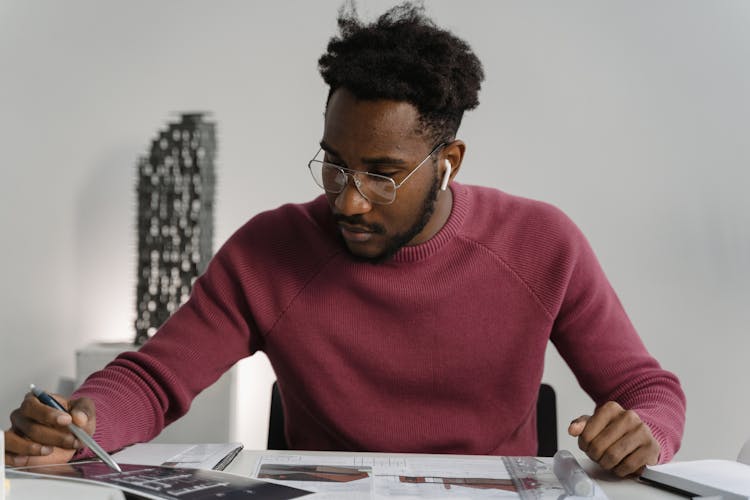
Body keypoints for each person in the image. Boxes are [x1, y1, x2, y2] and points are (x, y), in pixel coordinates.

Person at [4, 2, 685, 478]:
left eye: (383, 175)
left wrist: (644, 432)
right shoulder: (270, 250)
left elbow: (646, 388)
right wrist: (86, 418)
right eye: (335, 163)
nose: (349, 199)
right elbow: (153, 380)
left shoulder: (542, 244)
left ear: (448, 163)